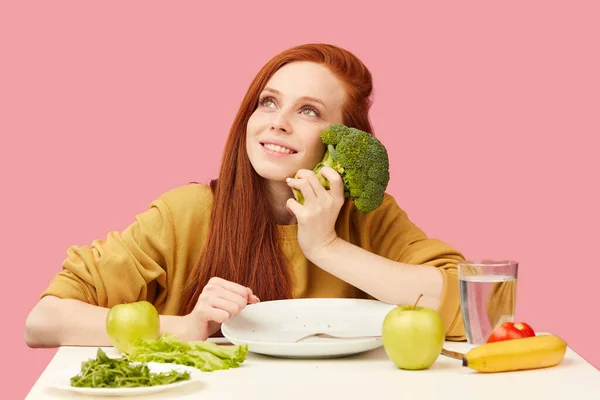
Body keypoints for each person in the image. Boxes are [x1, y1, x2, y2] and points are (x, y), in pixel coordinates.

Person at [25, 43, 467, 348]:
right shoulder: (186, 214)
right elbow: (44, 321)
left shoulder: (369, 218)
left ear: (344, 140)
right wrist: (186, 327)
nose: (277, 122)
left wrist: (327, 247)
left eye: (308, 111)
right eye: (269, 102)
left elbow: (466, 305)